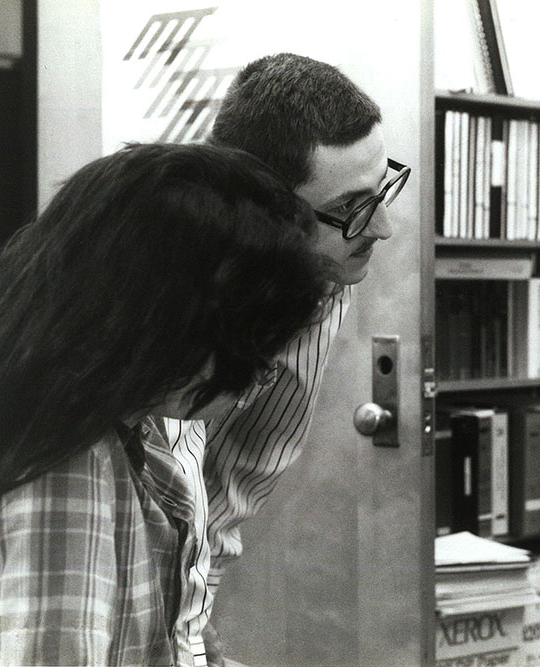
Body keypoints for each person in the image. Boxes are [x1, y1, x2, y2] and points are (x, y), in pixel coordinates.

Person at [0, 142, 334, 665]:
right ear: (172, 324)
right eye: (256, 342)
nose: (266, 369)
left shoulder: (106, 411)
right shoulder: (64, 464)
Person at [157, 53, 410, 664]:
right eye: (353, 208)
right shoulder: (156, 295)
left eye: (384, 188)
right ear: (266, 211)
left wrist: (193, 628)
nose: (384, 227)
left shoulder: (322, 281)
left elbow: (236, 481)